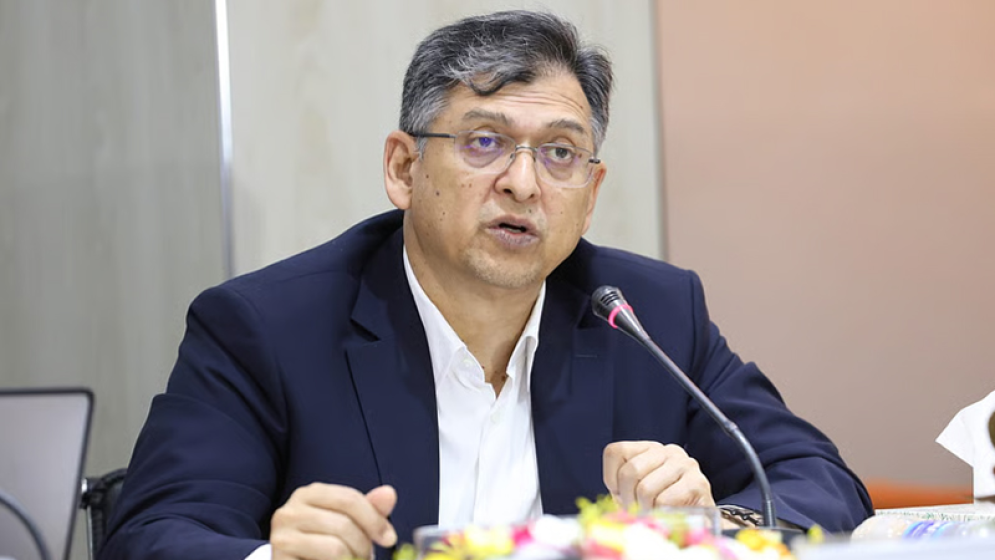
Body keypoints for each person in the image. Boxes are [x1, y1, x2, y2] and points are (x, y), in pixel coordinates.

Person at [101, 10, 872, 560]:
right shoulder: (267, 328)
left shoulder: (649, 314)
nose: (523, 183)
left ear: (590, 194)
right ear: (403, 168)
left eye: (560, 153)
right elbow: (152, 535)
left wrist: (710, 525)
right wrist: (273, 557)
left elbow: (820, 484)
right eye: (483, 142)